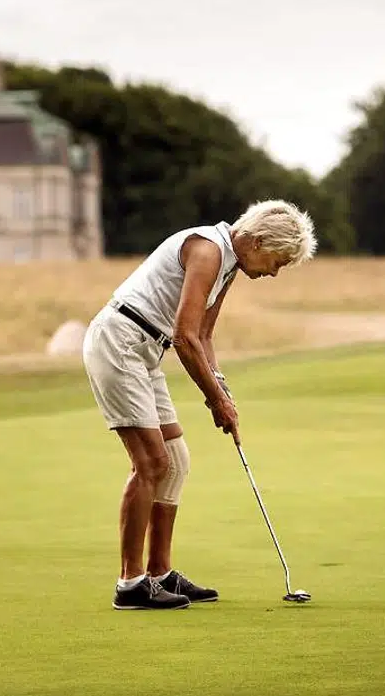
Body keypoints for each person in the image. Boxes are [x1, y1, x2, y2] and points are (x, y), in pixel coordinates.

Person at [82, 199, 317, 609]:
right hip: (119, 342)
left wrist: (222, 393)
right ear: (258, 241)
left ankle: (160, 572)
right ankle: (130, 583)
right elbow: (185, 337)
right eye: (277, 262)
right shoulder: (207, 250)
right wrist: (214, 401)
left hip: (145, 350)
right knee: (152, 463)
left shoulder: (228, 263)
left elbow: (204, 337)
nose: (274, 272)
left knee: (176, 459)